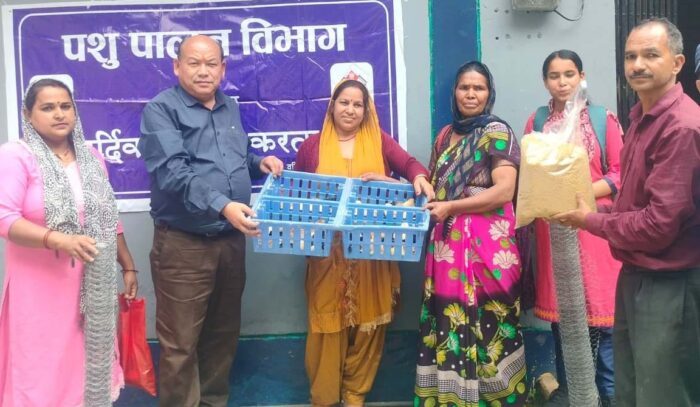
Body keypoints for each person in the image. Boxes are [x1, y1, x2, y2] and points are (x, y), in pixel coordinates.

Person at [555, 18, 700, 407]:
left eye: (651, 55)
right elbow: (632, 200)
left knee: (663, 394)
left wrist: (590, 220)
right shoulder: (639, 119)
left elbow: (658, 225)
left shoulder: (681, 127)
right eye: (630, 56)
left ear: (677, 63)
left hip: (670, 285)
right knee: (632, 390)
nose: (637, 65)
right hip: (637, 274)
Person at [138, 35, 283, 406]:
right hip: (184, 246)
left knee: (222, 336)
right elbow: (173, 173)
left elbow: (236, 155)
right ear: (177, 66)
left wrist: (260, 163)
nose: (203, 71)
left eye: (211, 63)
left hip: (230, 242)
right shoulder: (161, 110)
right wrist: (224, 205)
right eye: (194, 62)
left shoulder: (229, 106)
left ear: (223, 68)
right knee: (180, 345)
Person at [294, 78, 434, 406]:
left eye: (358, 105)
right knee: (327, 325)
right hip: (327, 254)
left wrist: (407, 178)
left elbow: (412, 166)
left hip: (373, 252)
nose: (351, 110)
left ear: (366, 110)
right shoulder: (312, 147)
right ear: (332, 106)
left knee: (370, 326)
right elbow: (298, 194)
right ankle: (325, 398)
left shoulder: (379, 141)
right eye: (345, 102)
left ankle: (355, 394)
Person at [0, 78, 138, 406]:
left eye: (65, 106)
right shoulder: (15, 157)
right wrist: (58, 240)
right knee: (40, 366)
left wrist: (127, 265)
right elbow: (4, 217)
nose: (59, 114)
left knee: (86, 366)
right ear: (28, 115)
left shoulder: (92, 157)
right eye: (47, 108)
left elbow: (107, 217)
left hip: (91, 285)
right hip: (38, 288)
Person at [414, 61, 528, 406]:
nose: (471, 94)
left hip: (488, 248)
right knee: (448, 320)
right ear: (455, 92)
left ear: (489, 94)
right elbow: (434, 188)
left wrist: (452, 207)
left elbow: (504, 191)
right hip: (447, 249)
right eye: (464, 87)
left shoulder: (497, 132)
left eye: (479, 88)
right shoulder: (444, 136)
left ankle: (499, 399)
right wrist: (397, 184)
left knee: (494, 321)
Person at [523, 50, 624, 407]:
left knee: (604, 320)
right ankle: (571, 393)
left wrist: (577, 194)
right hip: (554, 232)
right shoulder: (537, 121)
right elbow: (529, 176)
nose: (562, 82)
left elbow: (620, 174)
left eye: (569, 74)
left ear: (581, 76)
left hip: (595, 230)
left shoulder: (601, 119)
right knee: (565, 319)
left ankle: (610, 395)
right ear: (545, 81)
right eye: (554, 76)